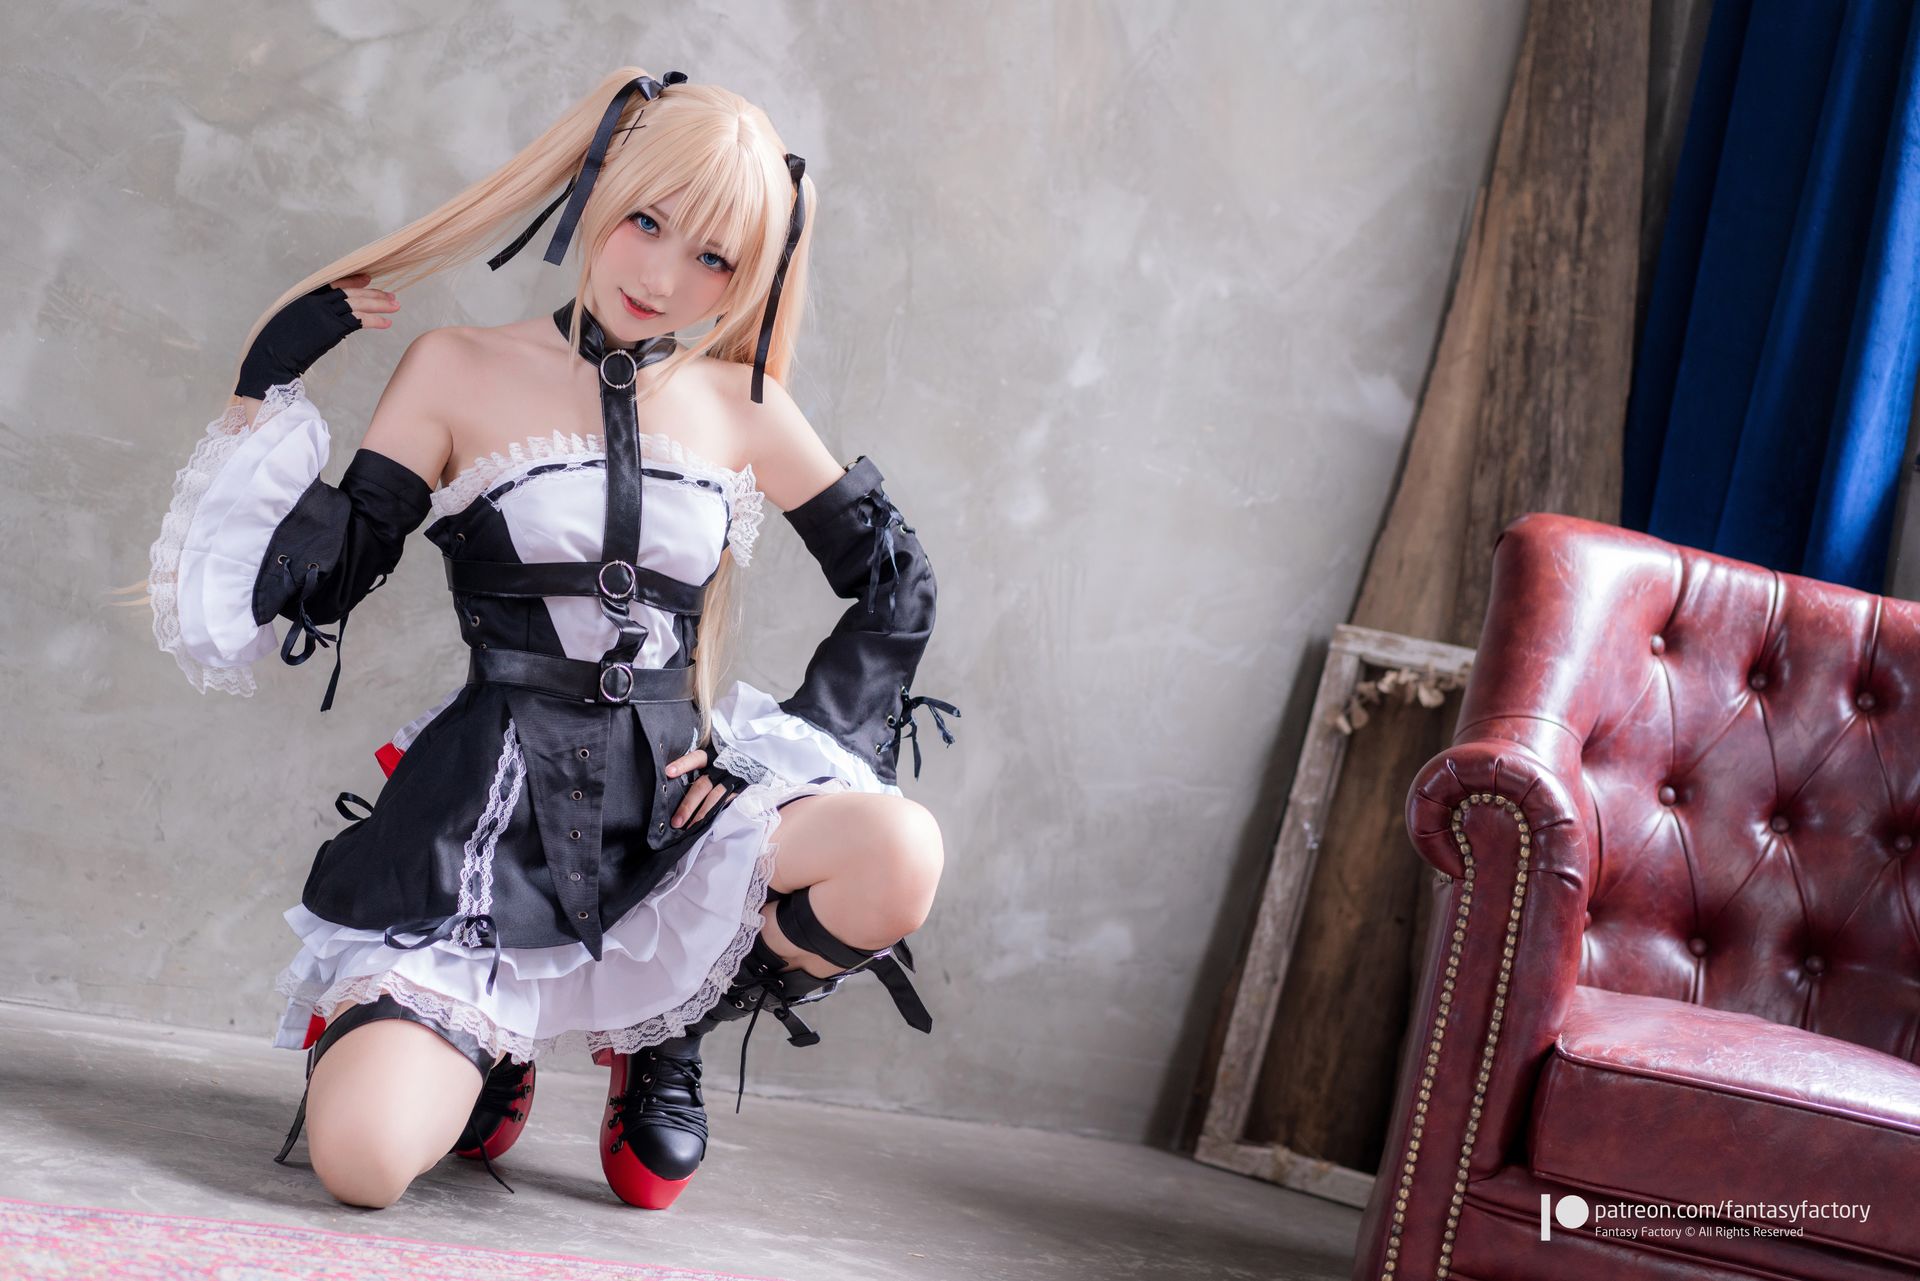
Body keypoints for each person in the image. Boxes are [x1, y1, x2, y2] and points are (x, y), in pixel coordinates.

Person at [142, 67, 960, 1212]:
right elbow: (329, 577)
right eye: (646, 222)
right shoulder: (457, 368)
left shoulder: (745, 406)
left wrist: (762, 766)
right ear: (598, 188)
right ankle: (489, 1043)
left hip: (674, 823)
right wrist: (263, 385)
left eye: (714, 259)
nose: (663, 277)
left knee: (901, 851)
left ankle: (669, 1020)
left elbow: (895, 585)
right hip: (484, 816)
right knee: (363, 1163)